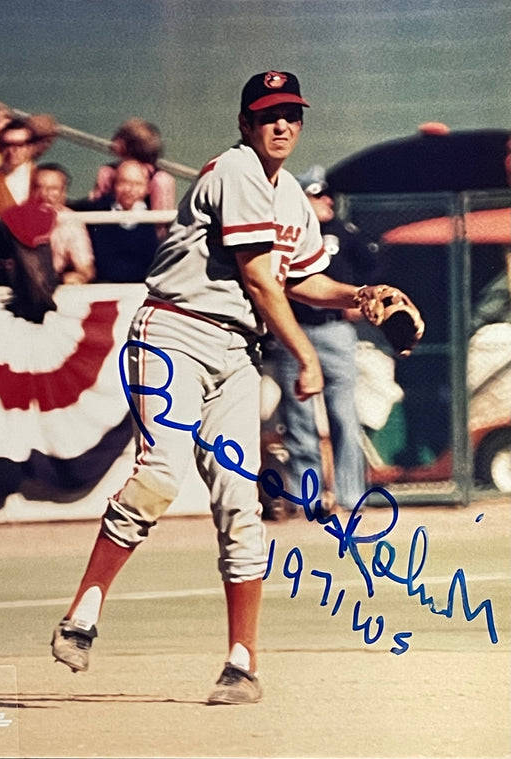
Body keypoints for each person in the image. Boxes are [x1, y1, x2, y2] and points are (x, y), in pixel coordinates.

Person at [50, 70, 388, 705]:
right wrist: (306, 355)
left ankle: (242, 664)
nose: (281, 124)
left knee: (241, 503)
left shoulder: (289, 196)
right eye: (268, 115)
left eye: (292, 114)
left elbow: (303, 280)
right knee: (159, 476)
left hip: (237, 351)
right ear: (244, 125)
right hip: (173, 333)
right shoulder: (235, 171)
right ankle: (83, 616)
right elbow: (261, 280)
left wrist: (358, 295)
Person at [269, 166, 383, 517]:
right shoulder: (287, 237)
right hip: (295, 331)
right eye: (316, 195)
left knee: (344, 416)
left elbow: (376, 264)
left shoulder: (343, 233)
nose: (326, 201)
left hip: (335, 331)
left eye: (325, 194)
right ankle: (309, 499)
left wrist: (359, 301)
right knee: (299, 419)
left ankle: (349, 496)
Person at [89, 117, 175, 239]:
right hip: (147, 238)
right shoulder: (162, 178)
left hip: (116, 233)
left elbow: (96, 206)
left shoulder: (108, 173)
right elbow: (163, 224)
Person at [76, 159, 158, 282]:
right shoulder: (94, 211)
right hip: (100, 288)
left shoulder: (159, 220)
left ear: (148, 188)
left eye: (137, 184)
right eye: (124, 182)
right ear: (114, 185)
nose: (130, 190)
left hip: (143, 289)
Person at [31, 163, 95, 284]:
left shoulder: (72, 222)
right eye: (38, 187)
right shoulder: (17, 216)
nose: (44, 194)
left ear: (63, 192)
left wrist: (79, 277)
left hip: (52, 284)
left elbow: (85, 268)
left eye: (53, 189)